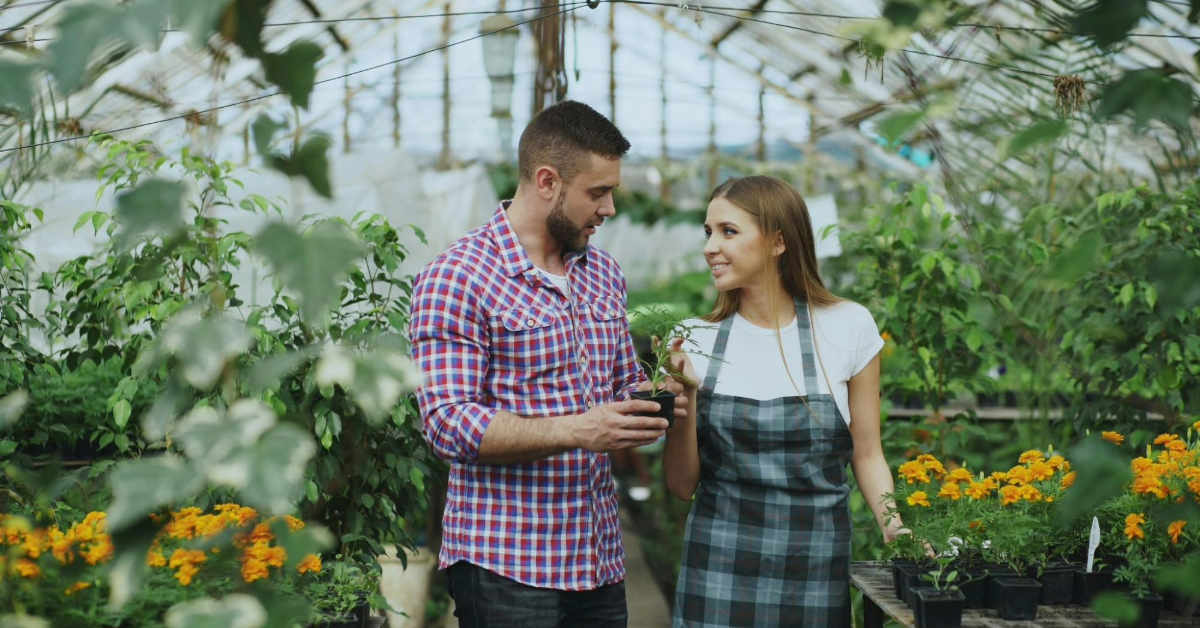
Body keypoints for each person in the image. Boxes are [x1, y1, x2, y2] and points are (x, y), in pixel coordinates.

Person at [409, 100, 687, 628]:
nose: (609, 209)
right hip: (506, 563)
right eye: (597, 192)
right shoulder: (458, 277)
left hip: (598, 556)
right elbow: (446, 423)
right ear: (546, 181)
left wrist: (655, 389)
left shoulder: (602, 272)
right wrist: (579, 429)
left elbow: (619, 379)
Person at [662, 175, 902, 627]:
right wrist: (686, 395)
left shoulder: (848, 326)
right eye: (708, 232)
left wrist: (894, 526)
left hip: (814, 563)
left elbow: (867, 453)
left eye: (728, 232)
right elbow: (680, 485)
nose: (710, 246)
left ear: (778, 241)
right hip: (718, 566)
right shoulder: (695, 339)